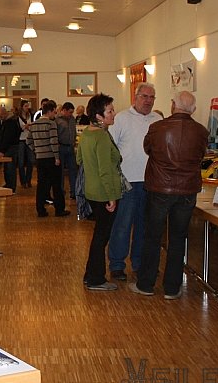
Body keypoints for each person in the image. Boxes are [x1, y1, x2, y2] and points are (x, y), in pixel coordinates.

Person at [130, 91, 209, 300]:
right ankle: (172, 288)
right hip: (187, 190)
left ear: (173, 105)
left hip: (159, 188)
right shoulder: (201, 131)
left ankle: (146, 284)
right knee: (178, 238)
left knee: (152, 237)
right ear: (193, 109)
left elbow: (148, 149)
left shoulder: (157, 128)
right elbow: (201, 155)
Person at [107, 83, 162, 282]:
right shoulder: (121, 118)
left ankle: (139, 263)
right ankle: (117, 264)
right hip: (127, 182)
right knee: (122, 225)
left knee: (144, 226)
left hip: (150, 182)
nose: (148, 101)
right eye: (144, 96)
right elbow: (110, 149)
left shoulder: (158, 120)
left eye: (151, 97)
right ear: (135, 97)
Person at [77, 93, 121, 291]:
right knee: (101, 237)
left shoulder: (87, 133)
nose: (114, 114)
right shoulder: (101, 136)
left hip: (92, 190)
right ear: (99, 116)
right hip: (104, 193)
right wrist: (111, 197)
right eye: (109, 111)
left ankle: (91, 275)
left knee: (98, 236)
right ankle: (96, 279)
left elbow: (79, 159)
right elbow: (105, 170)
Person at [27, 101, 67, 217]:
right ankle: (59, 209)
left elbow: (28, 141)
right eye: (54, 111)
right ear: (49, 111)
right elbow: (53, 141)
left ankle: (40, 210)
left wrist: (36, 150)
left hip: (40, 158)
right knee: (56, 185)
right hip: (51, 158)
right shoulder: (51, 124)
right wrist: (57, 157)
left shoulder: (34, 124)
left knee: (41, 185)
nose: (55, 114)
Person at [0, 107, 23, 193]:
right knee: (7, 168)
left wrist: (2, 150)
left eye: (0, 116)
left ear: (4, 114)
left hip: (11, 148)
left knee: (10, 168)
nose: (0, 118)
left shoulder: (10, 123)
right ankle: (8, 184)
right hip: (10, 147)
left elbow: (7, 138)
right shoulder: (10, 121)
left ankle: (11, 186)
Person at [56, 102, 78, 200]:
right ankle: (60, 191)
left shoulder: (72, 119)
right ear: (64, 110)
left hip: (70, 147)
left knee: (73, 170)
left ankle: (74, 191)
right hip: (61, 147)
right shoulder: (57, 120)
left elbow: (74, 131)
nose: (71, 114)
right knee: (60, 171)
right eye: (70, 112)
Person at [17, 100, 35, 188]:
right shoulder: (18, 117)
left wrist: (29, 127)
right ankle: (23, 181)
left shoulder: (30, 115)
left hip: (28, 139)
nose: (27, 108)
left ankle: (28, 180)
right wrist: (24, 127)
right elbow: (17, 128)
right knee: (21, 162)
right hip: (21, 139)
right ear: (22, 107)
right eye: (25, 106)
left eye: (28, 106)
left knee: (31, 161)